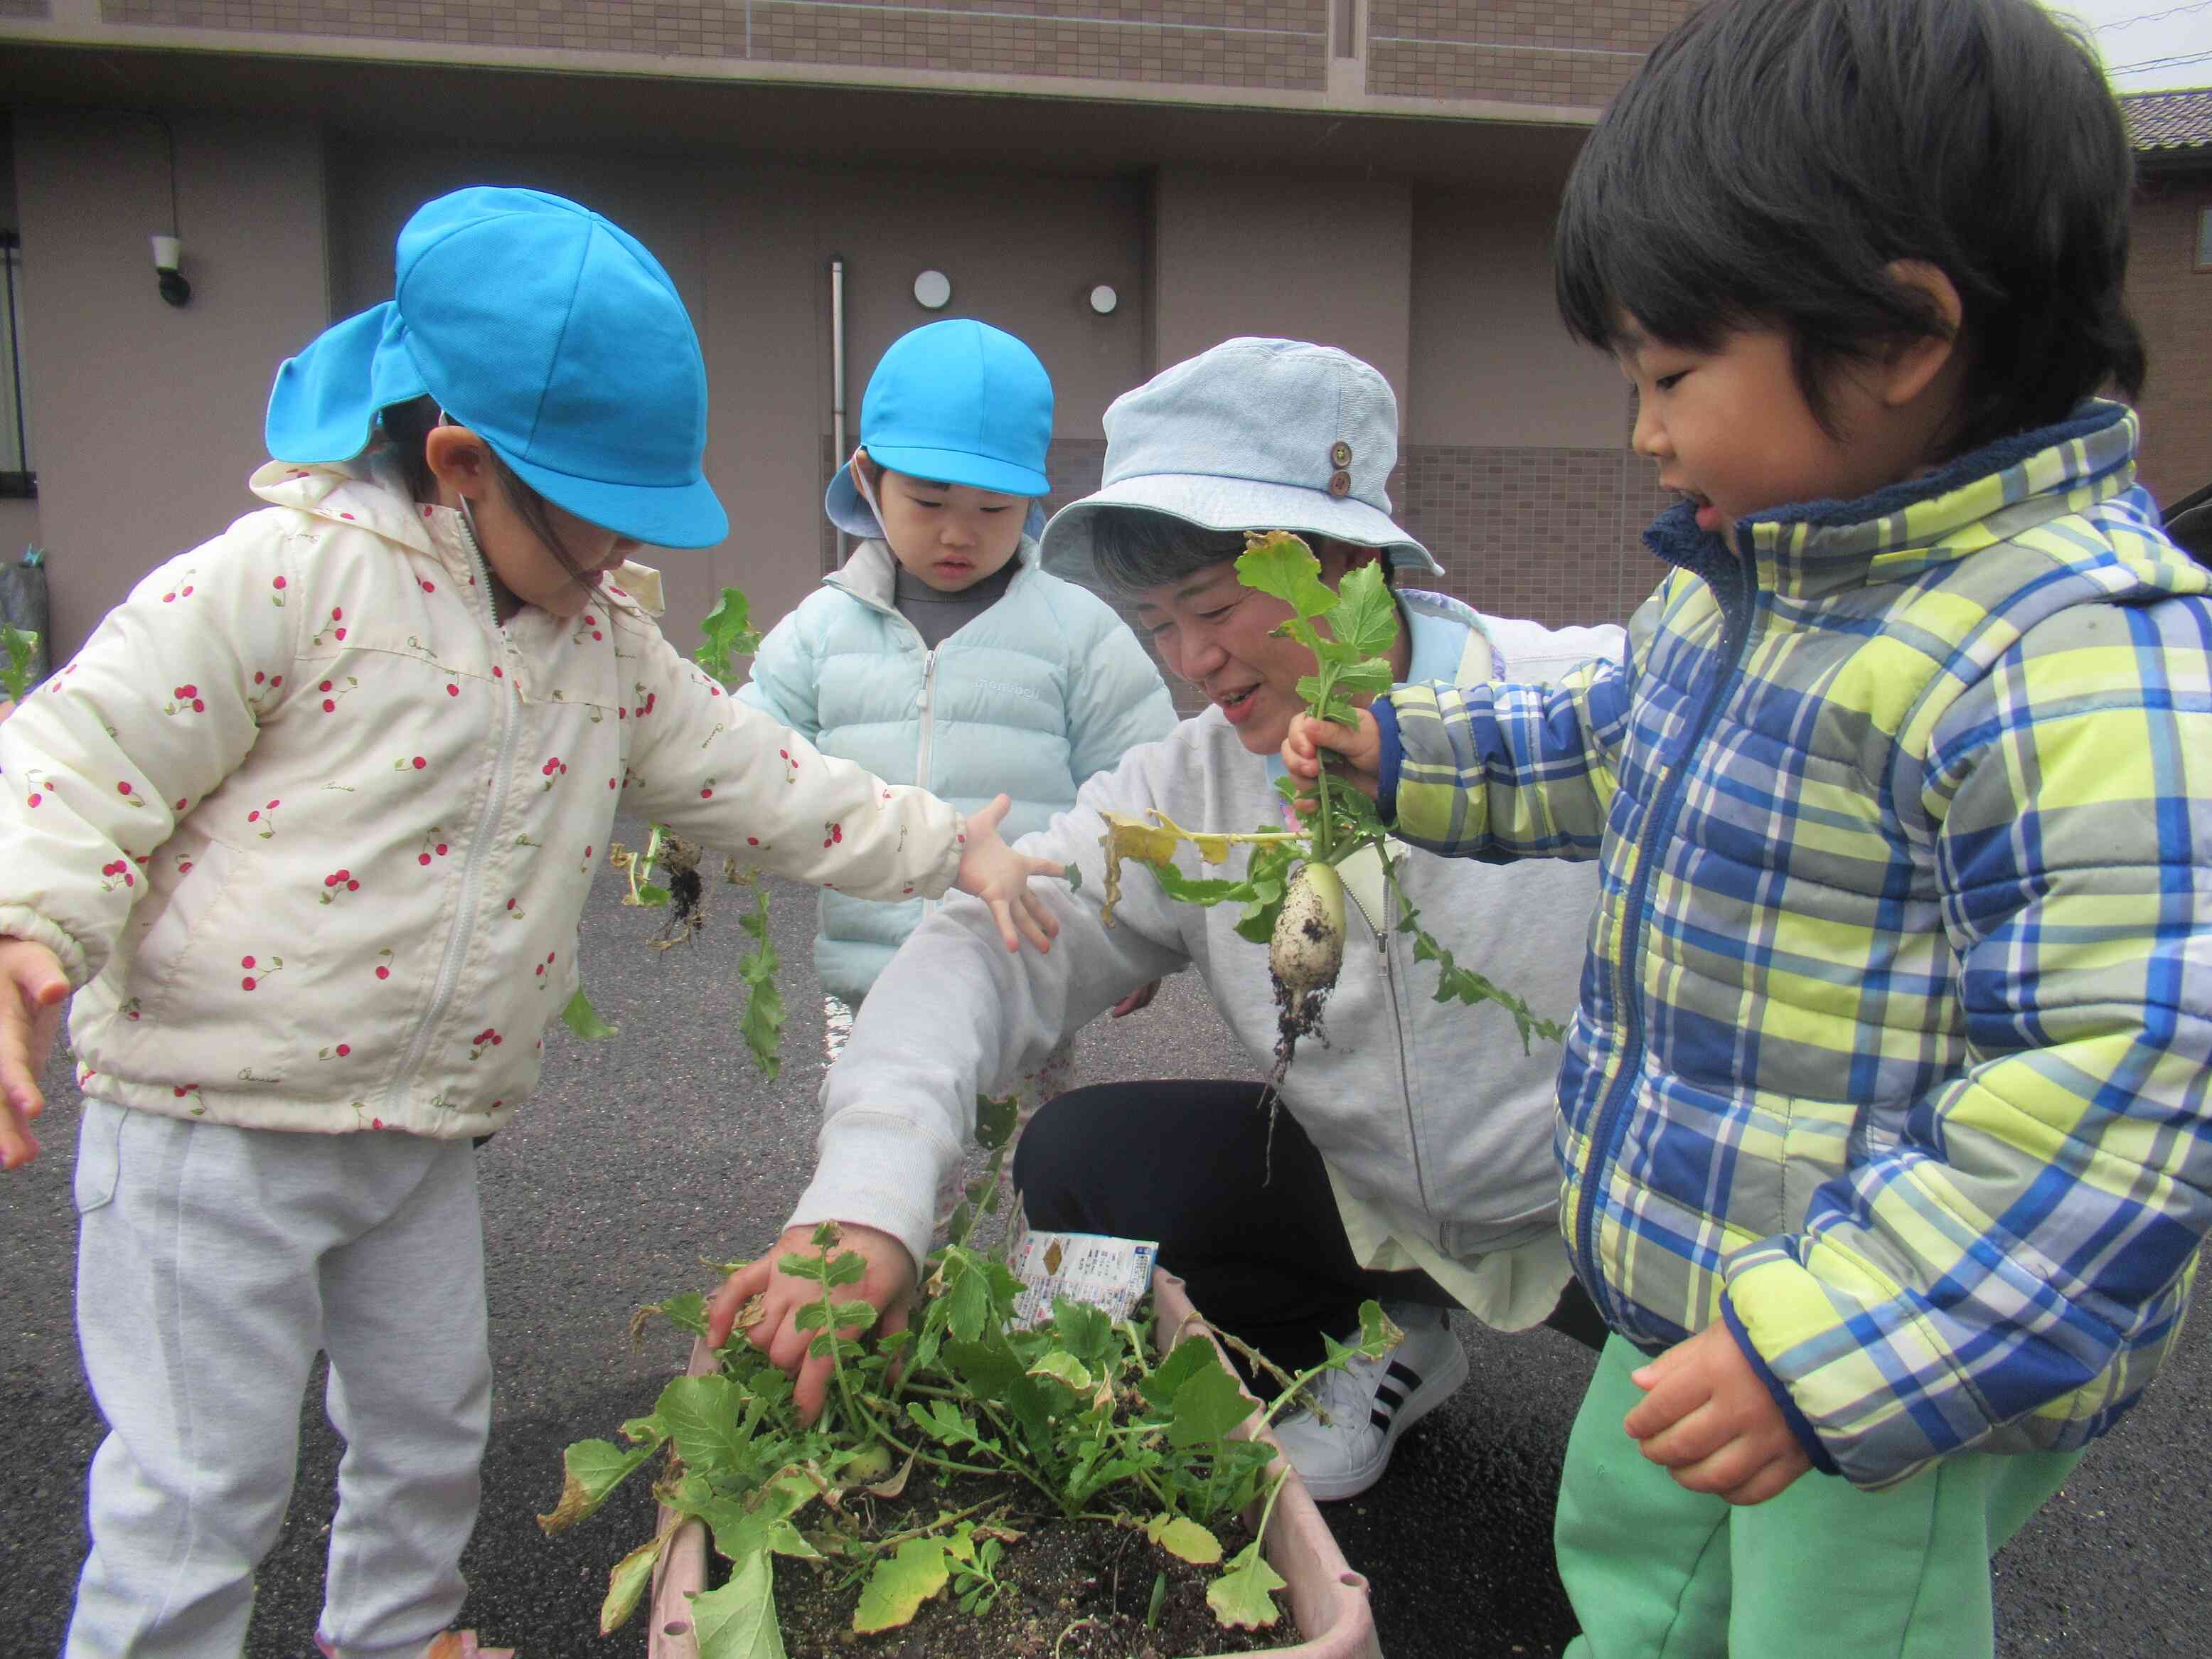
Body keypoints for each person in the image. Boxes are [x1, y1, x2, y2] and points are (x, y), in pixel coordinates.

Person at [0, 186, 1062, 1659]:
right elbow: (79, 754)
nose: (620, 566)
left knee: (431, 1420)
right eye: (598, 533)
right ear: (460, 463)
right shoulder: (287, 576)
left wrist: (948, 841)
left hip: (422, 1127)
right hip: (210, 1121)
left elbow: (769, 782)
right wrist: (21, 918)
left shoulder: (603, 647)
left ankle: (397, 1633)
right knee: (202, 1481)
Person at [1283, 1, 2212, 1652]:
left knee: (1820, 1627)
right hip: (1695, 1280)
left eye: (1670, 373)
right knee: (1635, 1574)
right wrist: (1403, 753)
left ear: (1898, 334)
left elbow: (2123, 1077)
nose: (1642, 428)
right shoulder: (1746, 589)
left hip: (1880, 1354)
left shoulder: (2065, 653)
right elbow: (1597, 740)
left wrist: (1836, 1344)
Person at [707, 335, 1625, 1503]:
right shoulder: (1186, 788)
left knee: (1723, 1465)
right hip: (1374, 1204)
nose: (1191, 660)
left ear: (1348, 560)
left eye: (1214, 607)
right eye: (1154, 623)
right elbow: (979, 955)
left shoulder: (1581, 711)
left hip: (1606, 1209)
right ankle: (1372, 1335)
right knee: (1083, 1158)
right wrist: (863, 1204)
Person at [739, 319, 1176, 1225]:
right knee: (880, 1164)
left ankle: (1043, 1301)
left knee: (1033, 1169)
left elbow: (1143, 778)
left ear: (1034, 505)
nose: (957, 532)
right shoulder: (821, 630)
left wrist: (1134, 919)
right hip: (869, 971)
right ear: (868, 478)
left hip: (1023, 965)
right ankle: (896, 1290)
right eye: (929, 499)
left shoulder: (1075, 630)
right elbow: (743, 751)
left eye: (992, 509)